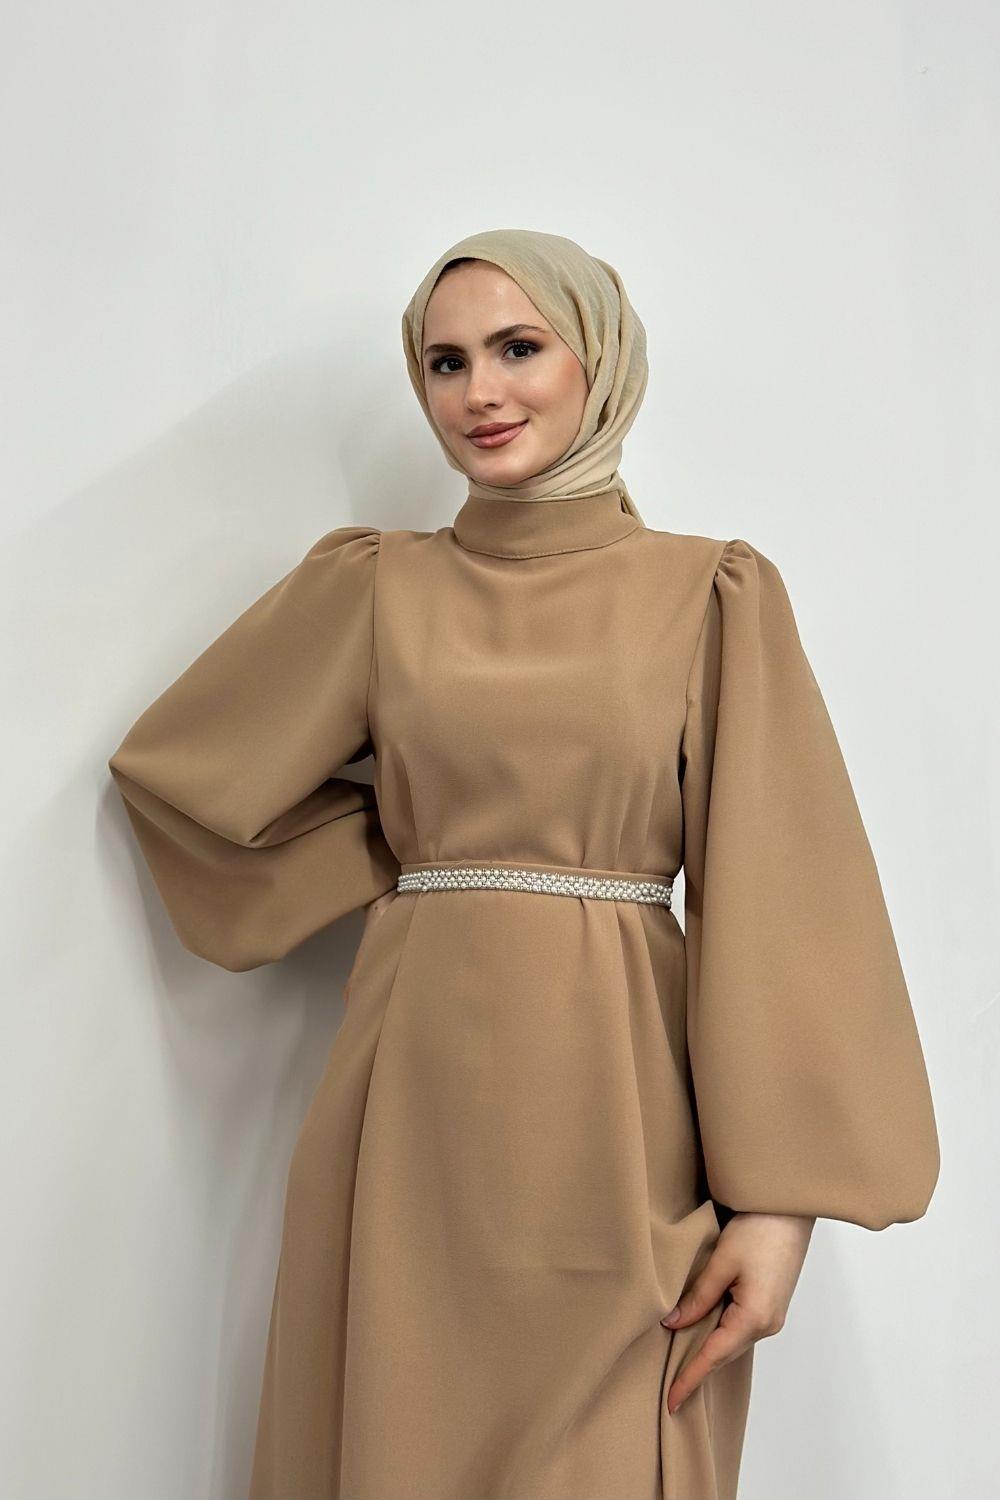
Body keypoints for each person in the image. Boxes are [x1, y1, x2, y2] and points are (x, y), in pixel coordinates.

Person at [107, 228, 940, 1500]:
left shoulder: (708, 594)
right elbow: (181, 784)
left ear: (596, 361)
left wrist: (780, 1210)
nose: (478, 393)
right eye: (444, 363)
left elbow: (790, 899)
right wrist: (407, 855)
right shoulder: (377, 588)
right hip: (413, 1115)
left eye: (516, 348)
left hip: (627, 1120)